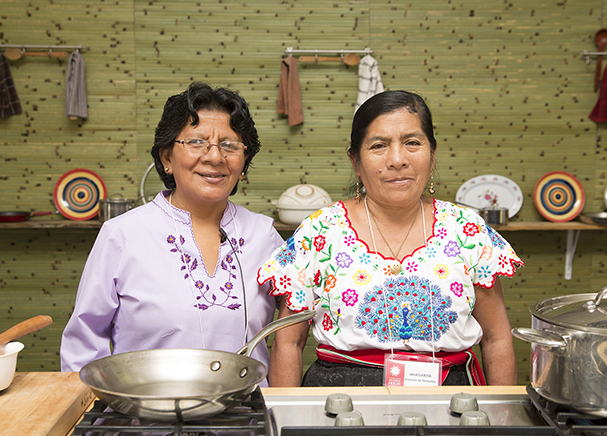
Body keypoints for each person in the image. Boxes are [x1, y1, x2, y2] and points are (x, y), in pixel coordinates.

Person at [258, 90, 523, 387]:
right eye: (379, 145)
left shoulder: (467, 230)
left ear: (432, 155)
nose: (397, 160)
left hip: (450, 402)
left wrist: (503, 420)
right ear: (356, 161)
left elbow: (497, 339)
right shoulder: (319, 232)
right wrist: (284, 422)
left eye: (412, 143)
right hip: (338, 402)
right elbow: (288, 344)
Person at [60, 82, 282, 374]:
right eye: (196, 142)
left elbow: (298, 326)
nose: (214, 157)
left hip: (245, 415)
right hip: (145, 415)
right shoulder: (122, 235)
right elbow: (83, 346)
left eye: (229, 145)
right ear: (167, 158)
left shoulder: (264, 236)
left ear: (242, 164)